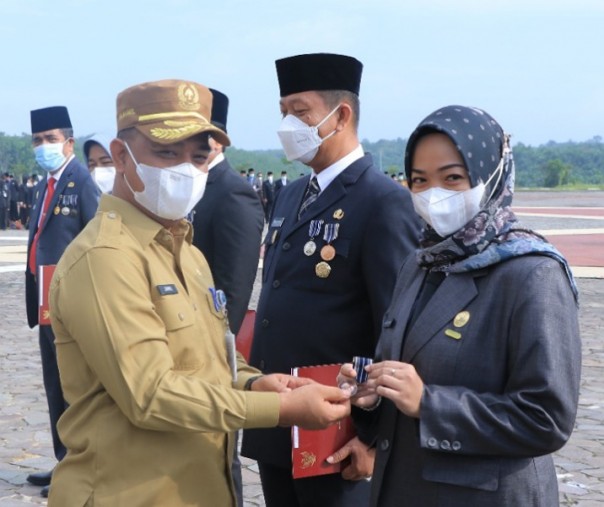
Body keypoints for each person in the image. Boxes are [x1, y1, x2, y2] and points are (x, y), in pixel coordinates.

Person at [47, 79, 351, 507]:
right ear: (120, 156)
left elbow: (210, 360)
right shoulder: (105, 258)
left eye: (198, 156)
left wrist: (258, 383)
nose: (184, 169)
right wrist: (283, 411)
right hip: (130, 492)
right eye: (167, 153)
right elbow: (151, 394)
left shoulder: (187, 252)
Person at [335, 105, 581, 506]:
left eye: (452, 178)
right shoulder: (420, 262)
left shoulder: (531, 273)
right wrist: (373, 395)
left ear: (492, 176)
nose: (434, 195)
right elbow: (401, 374)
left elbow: (546, 419)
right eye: (419, 180)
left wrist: (430, 404)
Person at [241, 53, 420, 507]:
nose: (288, 124)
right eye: (283, 111)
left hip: (337, 432)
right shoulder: (291, 194)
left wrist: (374, 436)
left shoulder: (381, 201)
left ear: (341, 116)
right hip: (280, 417)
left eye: (300, 112)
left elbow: (394, 327)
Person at [190, 87, 265, 506]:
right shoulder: (193, 184)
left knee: (220, 456)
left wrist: (215, 352)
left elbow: (232, 292)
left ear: (216, 137)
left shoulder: (231, 192)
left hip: (213, 354)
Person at [25, 106, 100, 497]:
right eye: (37, 140)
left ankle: (79, 467)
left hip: (70, 306)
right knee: (54, 386)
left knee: (74, 390)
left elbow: (97, 241)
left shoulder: (81, 182)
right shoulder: (44, 185)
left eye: (50, 139)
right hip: (45, 304)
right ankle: (62, 462)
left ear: (68, 142)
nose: (43, 146)